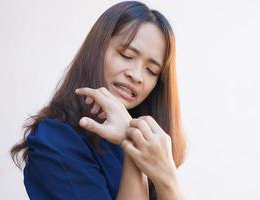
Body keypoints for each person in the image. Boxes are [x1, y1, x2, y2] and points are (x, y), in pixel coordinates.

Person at [10, 1, 187, 199]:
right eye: (126, 55)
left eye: (151, 71)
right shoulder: (56, 140)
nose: (137, 76)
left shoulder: (151, 144)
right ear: (97, 50)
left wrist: (168, 178)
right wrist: (132, 147)